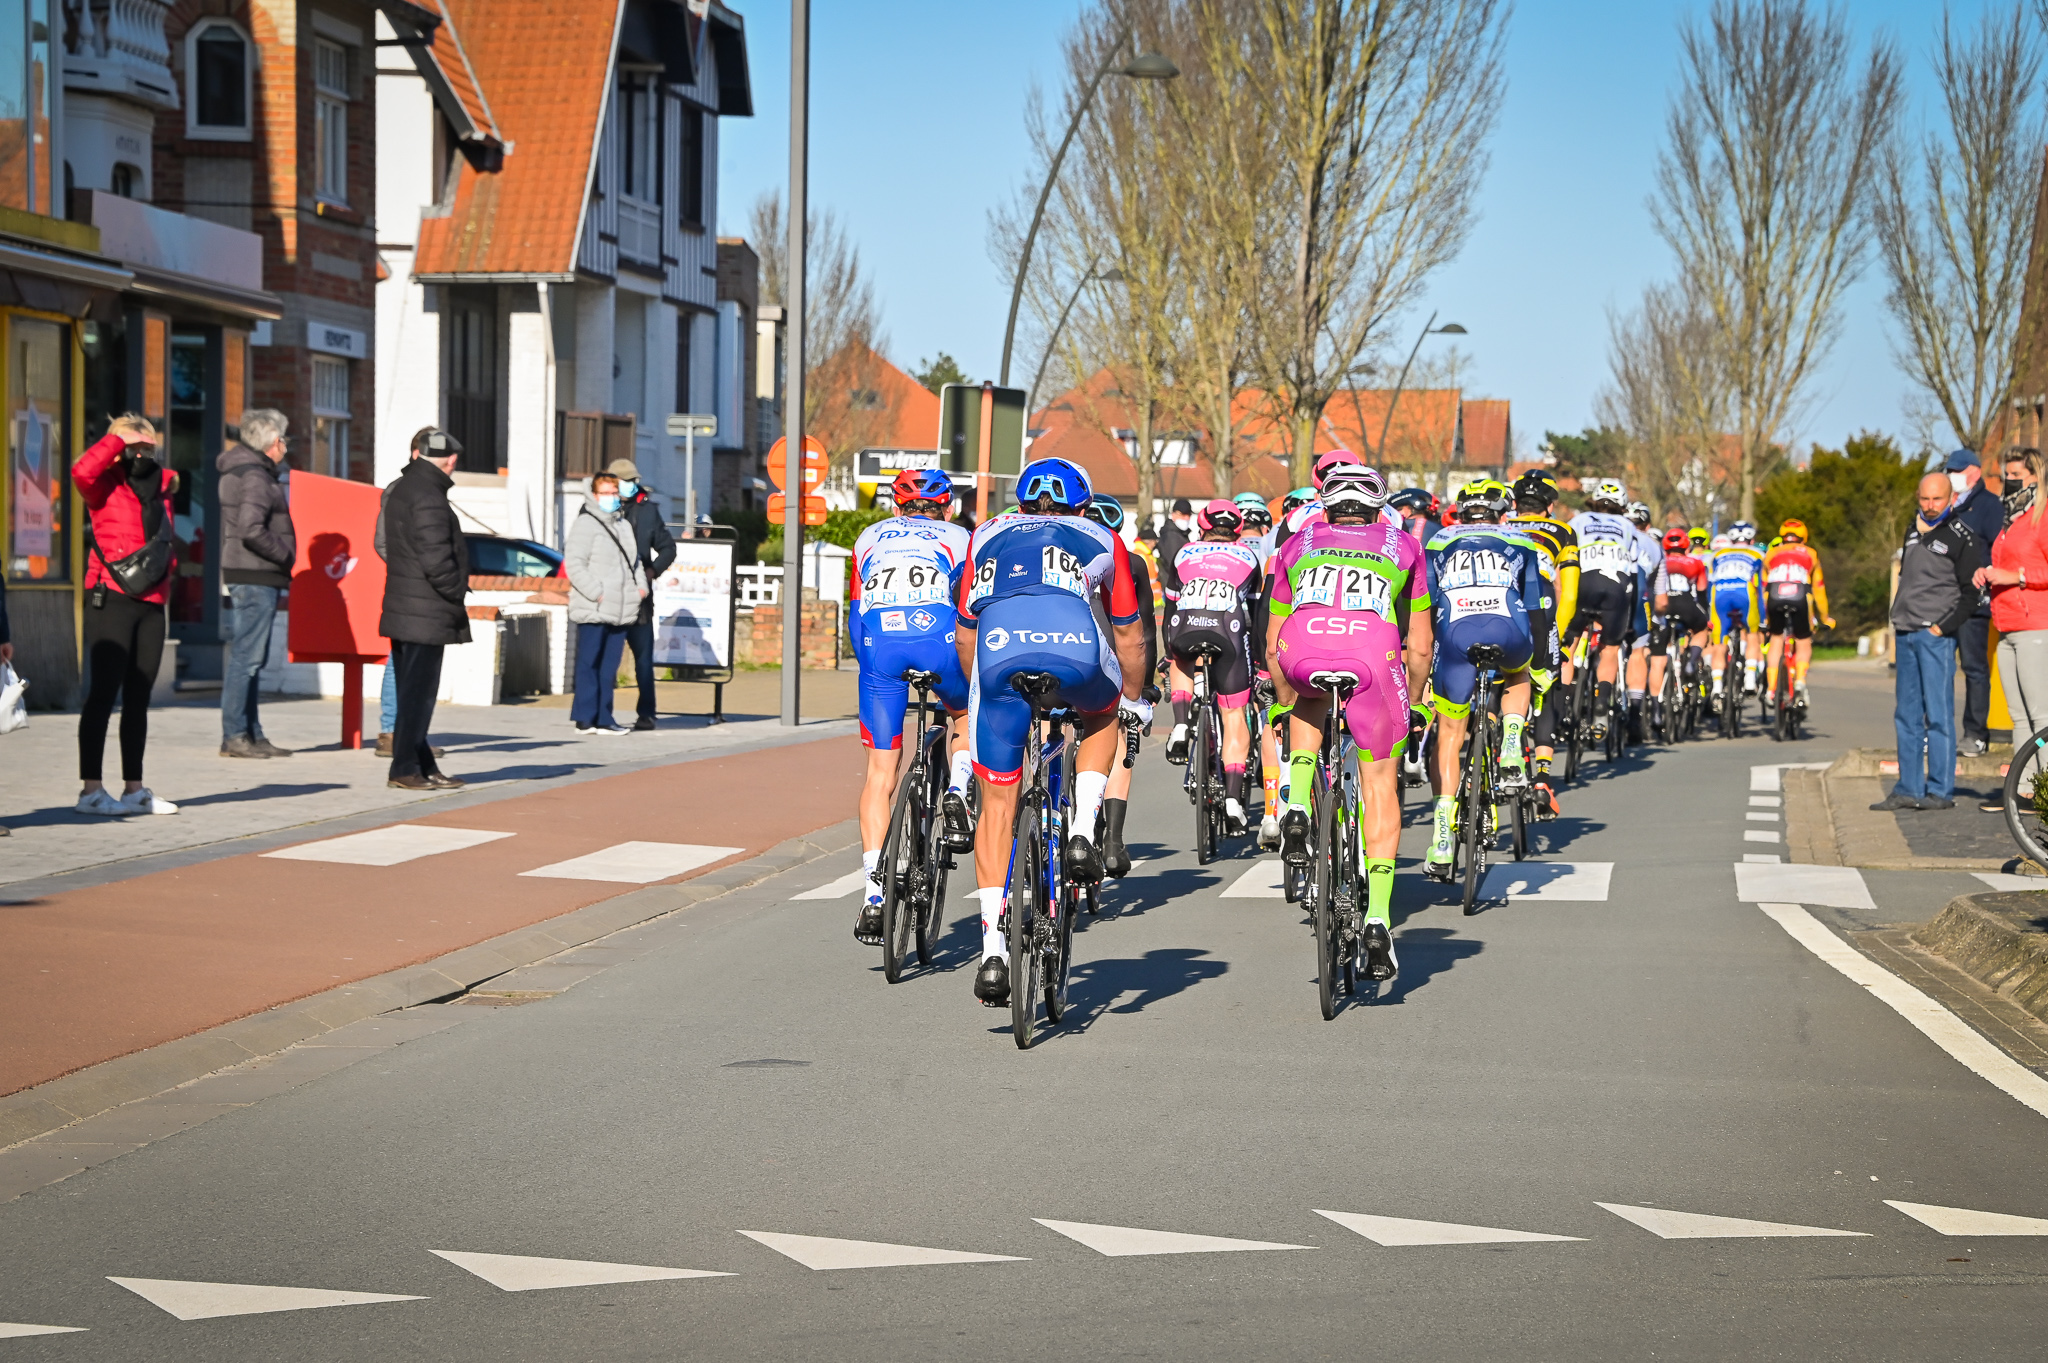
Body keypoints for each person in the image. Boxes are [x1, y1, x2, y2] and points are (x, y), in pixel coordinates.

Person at [956, 458, 1149, 1006]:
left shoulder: (984, 535)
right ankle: (1083, 831)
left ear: (1019, 504)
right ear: (1082, 506)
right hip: (1075, 654)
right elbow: (1130, 637)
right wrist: (1133, 699)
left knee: (997, 805)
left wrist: (982, 693)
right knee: (1104, 713)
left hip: (999, 657)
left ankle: (993, 953)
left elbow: (965, 636)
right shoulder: (1103, 536)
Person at [1268, 466, 1429, 981]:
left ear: (1327, 505)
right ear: (1378, 507)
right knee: (1380, 782)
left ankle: (1296, 803)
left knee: (1306, 698)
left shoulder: (1295, 543)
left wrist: (1283, 700)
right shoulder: (1405, 546)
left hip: (1305, 648)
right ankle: (1378, 917)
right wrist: (1414, 701)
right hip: (1372, 656)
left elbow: (1272, 643)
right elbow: (1420, 646)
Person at [848, 469, 974, 943]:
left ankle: (873, 897)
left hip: (880, 649)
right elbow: (972, 611)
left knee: (880, 775)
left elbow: (855, 616)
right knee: (965, 713)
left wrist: (873, 668)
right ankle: (958, 788)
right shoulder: (962, 537)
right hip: (939, 642)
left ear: (896, 507)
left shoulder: (868, 537)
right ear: (948, 507)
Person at [1422, 480, 1545, 877]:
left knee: (1449, 736)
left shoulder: (1439, 540)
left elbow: (1424, 604)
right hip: (1507, 627)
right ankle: (1511, 744)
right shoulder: (1521, 539)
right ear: (1501, 513)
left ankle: (1442, 839)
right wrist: (1543, 664)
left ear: (1461, 513)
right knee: (1519, 671)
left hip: (1455, 634)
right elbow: (1535, 607)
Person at [74, 417, 180, 817]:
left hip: (152, 600)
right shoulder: (104, 483)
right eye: (134, 447)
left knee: (139, 697)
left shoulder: (163, 486)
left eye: (147, 447)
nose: (141, 454)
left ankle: (134, 790)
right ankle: (91, 791)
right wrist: (116, 441)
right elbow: (81, 471)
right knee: (103, 694)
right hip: (111, 596)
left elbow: (162, 541)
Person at [1879, 472, 1984, 812]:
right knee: (1906, 715)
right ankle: (1909, 788)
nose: (1930, 505)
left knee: (1938, 715)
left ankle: (1940, 790)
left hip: (1935, 637)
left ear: (1951, 498)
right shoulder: (1912, 529)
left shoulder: (1962, 537)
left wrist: (1941, 628)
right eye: (1924, 498)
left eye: (1937, 499)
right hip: (1905, 631)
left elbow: (1971, 595)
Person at [1163, 499, 1265, 835]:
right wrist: (1258, 663)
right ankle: (1234, 797)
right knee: (1234, 714)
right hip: (1228, 631)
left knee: (1179, 658)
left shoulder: (1185, 553)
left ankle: (1181, 724)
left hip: (1185, 625)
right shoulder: (1248, 556)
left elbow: (1169, 608)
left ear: (1202, 527)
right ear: (1238, 530)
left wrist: (1169, 654)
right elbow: (1256, 616)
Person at [379, 426, 470, 790]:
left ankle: (423, 764)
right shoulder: (429, 495)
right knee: (418, 695)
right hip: (425, 610)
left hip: (407, 606)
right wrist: (455, 591)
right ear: (451, 459)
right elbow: (436, 558)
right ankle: (404, 768)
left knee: (411, 693)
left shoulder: (404, 488)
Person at [216, 409, 296, 759]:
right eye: (283, 440)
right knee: (246, 659)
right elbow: (251, 528)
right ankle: (235, 735)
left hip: (250, 573)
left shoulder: (248, 471)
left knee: (251, 657)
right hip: (254, 575)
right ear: (272, 443)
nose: (286, 447)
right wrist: (285, 555)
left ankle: (251, 733)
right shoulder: (255, 476)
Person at [1086, 493, 1155, 877]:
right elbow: (1143, 632)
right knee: (1116, 734)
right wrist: (1142, 689)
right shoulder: (1130, 561)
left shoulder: (1057, 551)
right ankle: (1113, 840)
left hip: (1059, 650)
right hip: (1110, 657)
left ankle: (1043, 813)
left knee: (1047, 726)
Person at [1507, 470, 1579, 816]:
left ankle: (1490, 757)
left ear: (1515, 504)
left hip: (1503, 604)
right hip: (1543, 603)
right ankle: (1542, 779)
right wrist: (1558, 637)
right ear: (1549, 506)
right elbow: (1570, 594)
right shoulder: (1562, 531)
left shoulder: (1502, 526)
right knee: (1546, 685)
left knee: (1500, 676)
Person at [1981, 448, 2048, 808]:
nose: (2009, 482)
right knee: (2018, 716)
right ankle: (2026, 790)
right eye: (2006, 475)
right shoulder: (2011, 519)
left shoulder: (2042, 515)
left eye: (2016, 476)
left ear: (2035, 476)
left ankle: (2046, 788)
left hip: (2036, 624)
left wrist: (2017, 576)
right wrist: (1986, 574)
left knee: (2042, 715)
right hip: (2006, 625)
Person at [564, 471, 647, 736]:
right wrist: (596, 592)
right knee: (589, 663)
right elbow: (574, 563)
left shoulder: (623, 525)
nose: (611, 498)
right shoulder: (586, 523)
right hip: (595, 607)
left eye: (614, 493)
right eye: (605, 493)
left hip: (622, 607)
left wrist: (640, 589)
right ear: (594, 495)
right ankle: (586, 718)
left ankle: (603, 717)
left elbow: (635, 562)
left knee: (609, 667)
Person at [1567, 479, 1644, 744]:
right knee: (1610, 649)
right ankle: (1601, 705)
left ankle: (1563, 701)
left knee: (1570, 642)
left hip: (1583, 581)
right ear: (1622, 506)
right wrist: (1632, 619)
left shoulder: (1578, 520)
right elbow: (1635, 573)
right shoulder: (1628, 526)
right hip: (1616, 585)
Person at [605, 457, 677, 732]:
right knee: (607, 660)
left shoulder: (647, 511)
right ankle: (602, 714)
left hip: (640, 600)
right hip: (610, 596)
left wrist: (653, 571)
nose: (632, 485)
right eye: (627, 481)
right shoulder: (602, 509)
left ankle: (647, 714)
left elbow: (668, 548)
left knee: (644, 662)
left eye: (634, 481)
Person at [1945, 450, 2005, 755]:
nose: (1952, 476)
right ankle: (1938, 733)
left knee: (1973, 668)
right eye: (1949, 470)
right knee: (1940, 668)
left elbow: (1999, 549)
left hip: (1974, 601)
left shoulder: (1989, 505)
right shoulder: (1946, 503)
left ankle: (1975, 734)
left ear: (1976, 472)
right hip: (1944, 600)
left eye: (1958, 471)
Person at [1761, 519, 1833, 713]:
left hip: (1774, 596)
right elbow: (1819, 589)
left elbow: (1763, 586)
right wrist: (1825, 618)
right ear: (1804, 537)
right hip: (1800, 596)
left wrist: (1763, 617)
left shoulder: (1771, 553)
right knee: (1803, 639)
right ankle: (1800, 681)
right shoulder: (1811, 554)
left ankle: (1771, 689)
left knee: (1776, 638)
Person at [1707, 520, 1765, 705]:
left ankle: (1717, 688)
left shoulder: (1718, 554)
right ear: (1752, 539)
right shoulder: (1758, 553)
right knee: (1752, 633)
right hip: (1744, 593)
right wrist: (1763, 618)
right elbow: (1761, 587)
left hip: (1720, 594)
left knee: (1719, 642)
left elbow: (1709, 583)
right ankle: (1750, 679)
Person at [1156, 497, 1195, 597]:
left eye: (1188, 515)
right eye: (1182, 515)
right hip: (1173, 589)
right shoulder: (1171, 536)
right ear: (1173, 515)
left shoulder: (1181, 535)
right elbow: (1174, 564)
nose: (1186, 518)